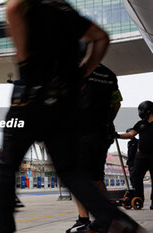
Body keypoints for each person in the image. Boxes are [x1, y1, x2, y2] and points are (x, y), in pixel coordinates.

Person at [0, 0, 144, 232]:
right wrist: (83, 71)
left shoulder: (33, 8)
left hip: (28, 99)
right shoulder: (68, 14)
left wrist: (24, 62)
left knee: (6, 167)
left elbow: (12, 8)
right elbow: (101, 37)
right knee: (70, 170)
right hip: (62, 105)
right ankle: (117, 219)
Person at [66, 64, 123, 233]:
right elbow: (117, 103)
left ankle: (84, 220)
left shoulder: (74, 70)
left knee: (76, 176)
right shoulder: (108, 73)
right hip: (103, 132)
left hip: (81, 132)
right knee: (97, 177)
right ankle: (107, 218)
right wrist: (105, 121)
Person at [117, 100, 153, 210]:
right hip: (141, 155)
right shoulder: (140, 124)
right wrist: (116, 135)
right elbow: (130, 134)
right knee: (135, 176)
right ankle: (139, 198)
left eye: (141, 110)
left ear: (148, 110)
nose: (140, 113)